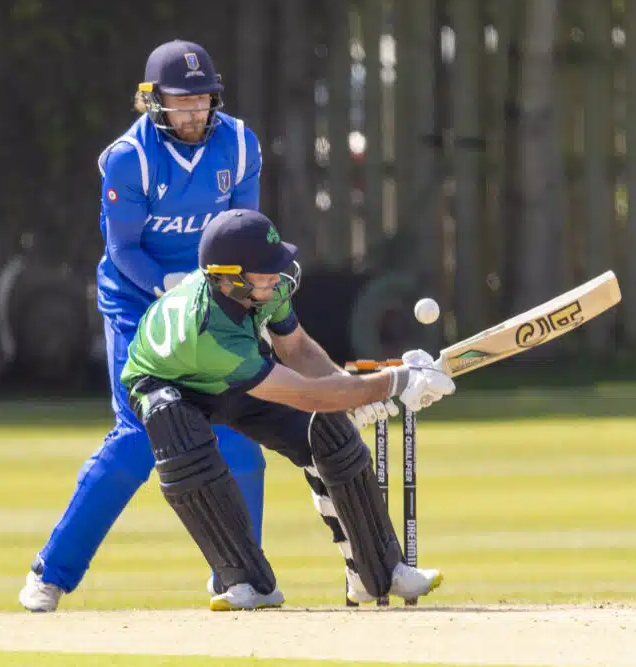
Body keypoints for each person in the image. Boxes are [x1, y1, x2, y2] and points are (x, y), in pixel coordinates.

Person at [19, 40, 270, 612]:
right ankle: (51, 573)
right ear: (152, 102)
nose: (192, 115)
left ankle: (242, 573)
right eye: (180, 103)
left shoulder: (238, 142)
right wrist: (174, 288)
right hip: (137, 302)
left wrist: (247, 289)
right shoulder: (128, 159)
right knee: (139, 434)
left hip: (214, 304)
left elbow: (245, 229)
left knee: (237, 438)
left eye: (201, 101)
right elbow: (123, 249)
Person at [119, 209, 454, 610]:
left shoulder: (265, 290)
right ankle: (246, 582)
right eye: (265, 271)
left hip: (232, 373)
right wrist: (394, 383)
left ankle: (379, 572)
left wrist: (353, 393)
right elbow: (306, 394)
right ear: (228, 278)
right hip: (165, 382)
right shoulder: (209, 331)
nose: (277, 276)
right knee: (180, 437)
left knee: (329, 430)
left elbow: (297, 350)